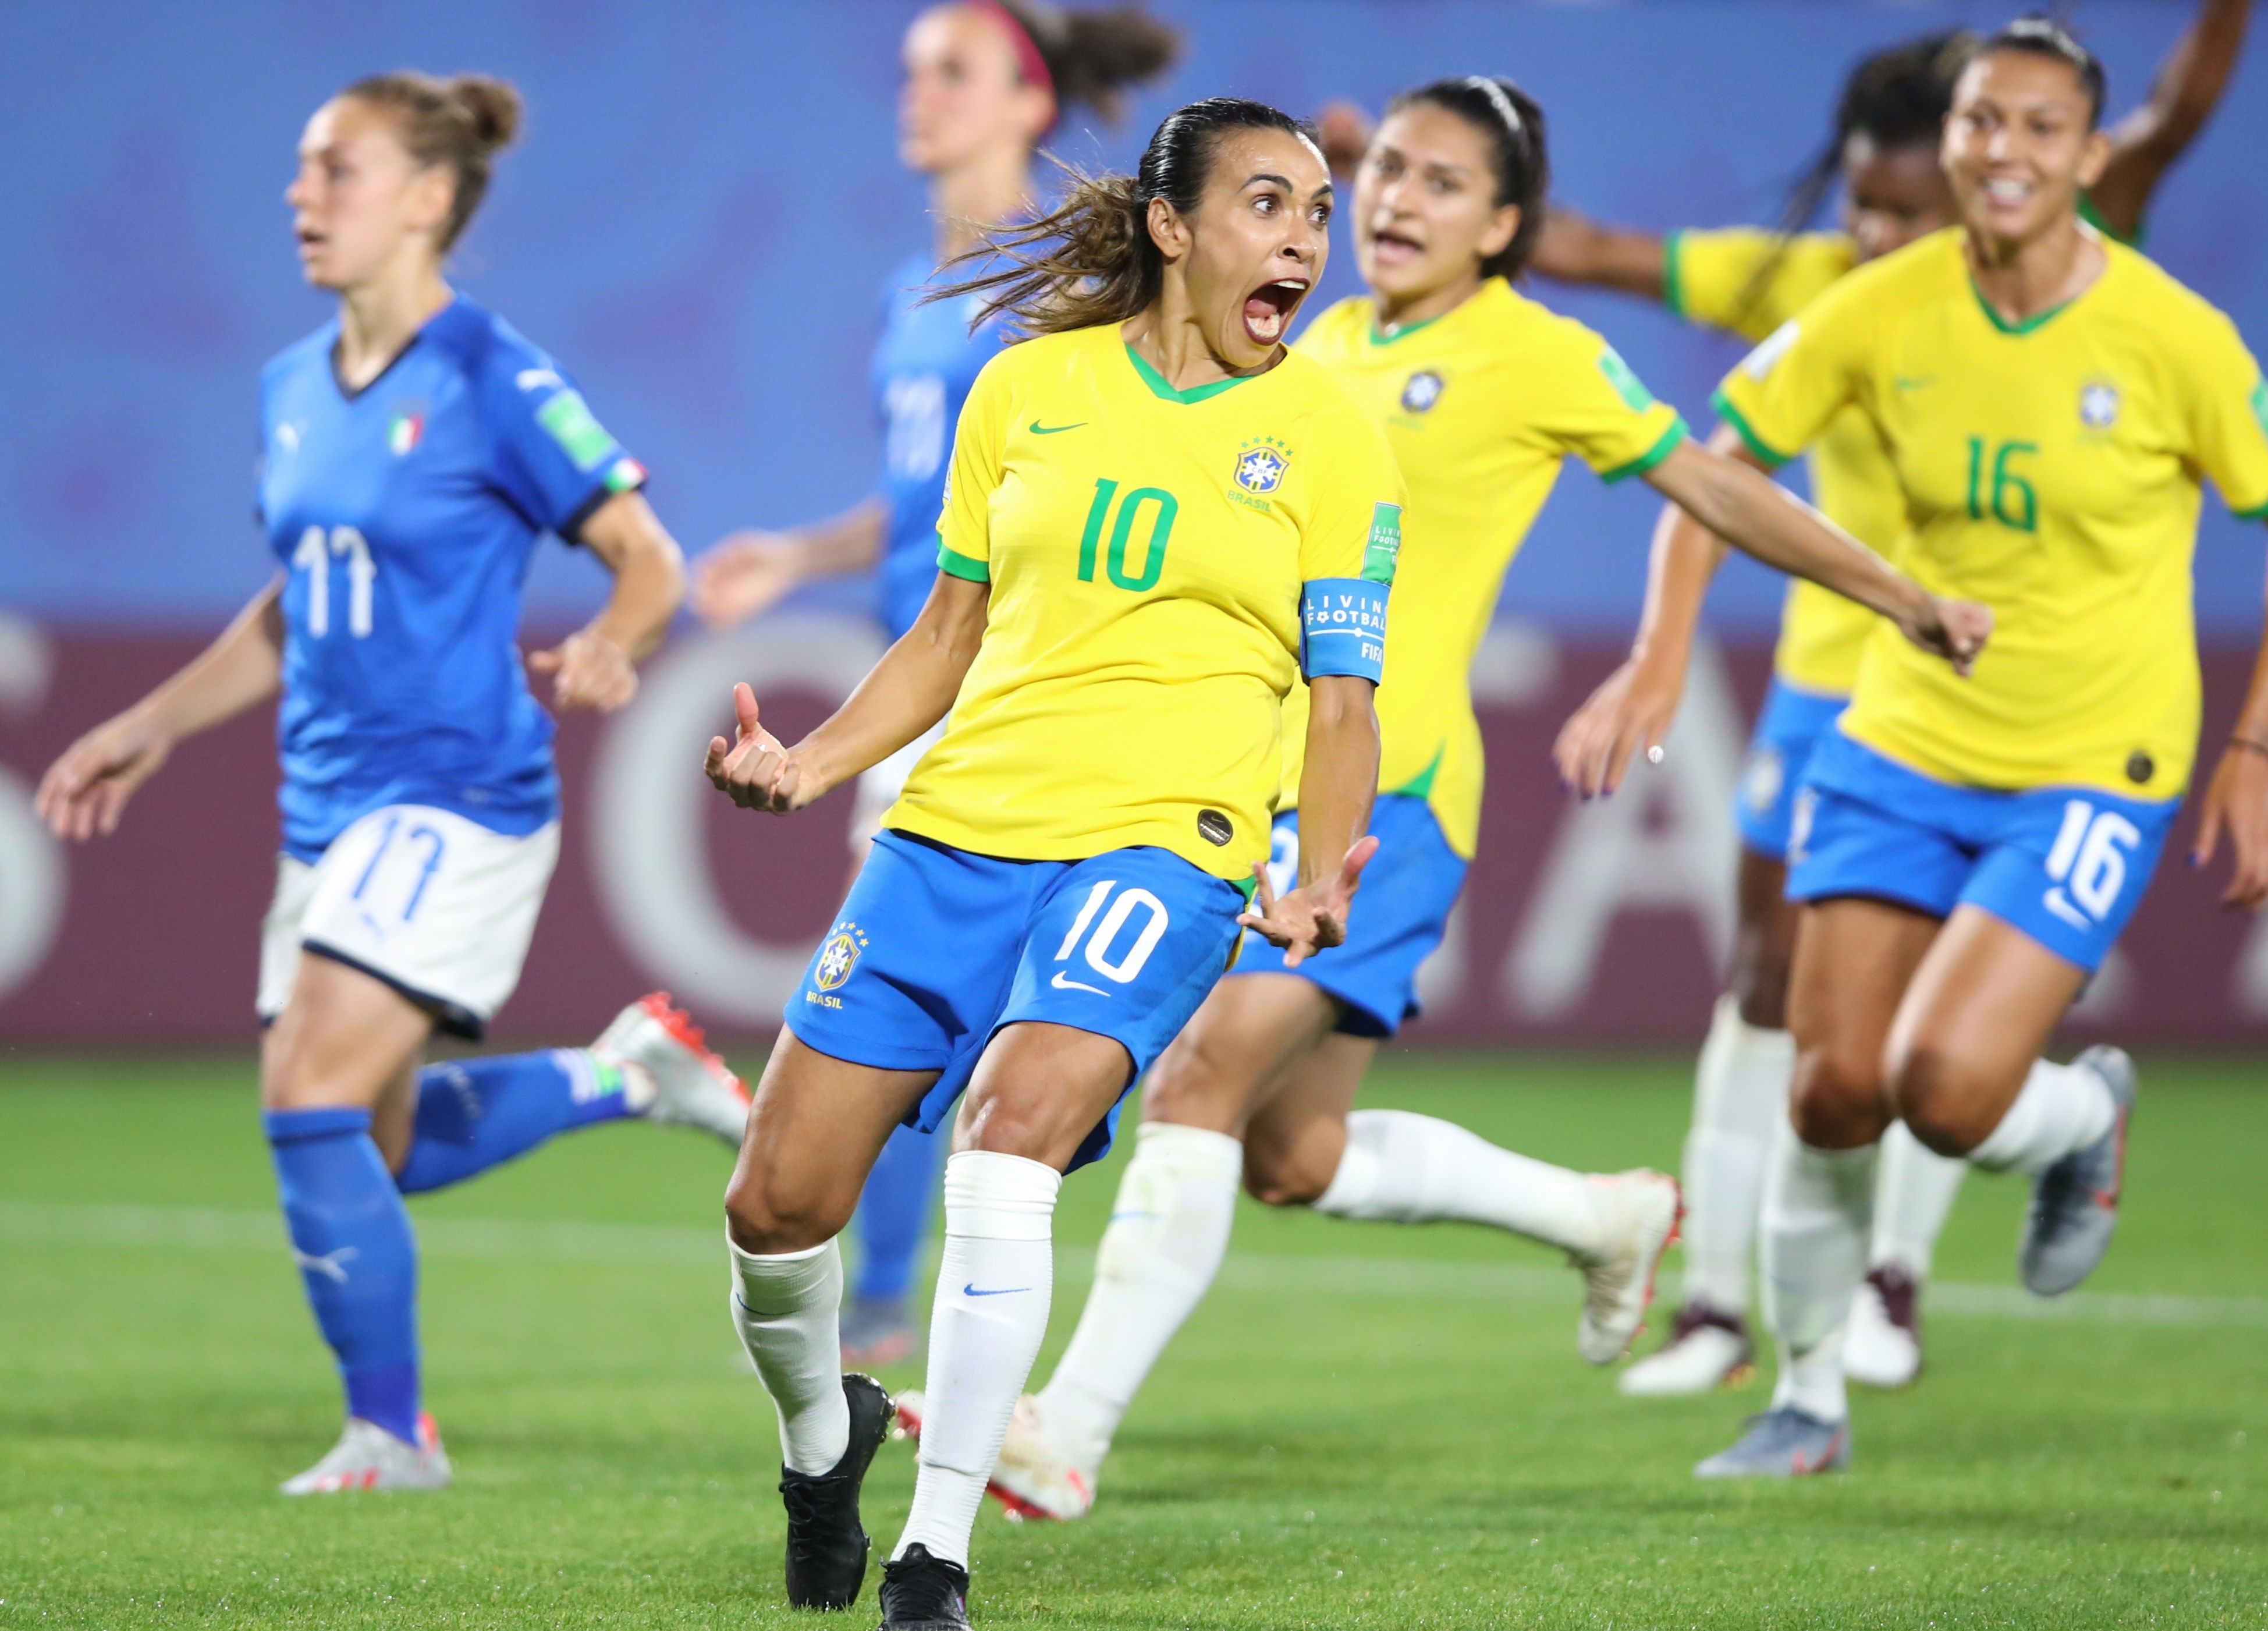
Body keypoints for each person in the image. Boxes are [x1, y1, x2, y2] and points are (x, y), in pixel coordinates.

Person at [903, 73, 1992, 1526]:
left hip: (1384, 801)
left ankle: (1064, 1428)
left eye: (1440, 184)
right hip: (1233, 788)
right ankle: (1604, 1219)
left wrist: (1894, 592)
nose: (1397, 205)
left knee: (1195, 1077)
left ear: (1503, 227)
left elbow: (1713, 484)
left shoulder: (1533, 357)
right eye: (1389, 176)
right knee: (1289, 1158)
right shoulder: (1309, 341)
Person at [704, 96, 1414, 1628]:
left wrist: (1307, 862)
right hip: (956, 830)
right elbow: (946, 636)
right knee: (774, 1205)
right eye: (1267, 205)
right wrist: (812, 763)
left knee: (1010, 1132)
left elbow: (1343, 697)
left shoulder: (1336, 440)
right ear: (1172, 226)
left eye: (1315, 214)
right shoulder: (1023, 389)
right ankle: (826, 1446)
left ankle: (933, 1557)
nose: (1303, 239)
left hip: (1168, 842)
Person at [33, 73, 751, 1495]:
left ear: (427, 197)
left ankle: (391, 1434)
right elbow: (296, 602)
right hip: (326, 811)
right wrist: (154, 723)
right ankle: (628, 1071)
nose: (301, 196)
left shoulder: (491, 372)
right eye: (301, 171)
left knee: (303, 1088)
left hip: (458, 799)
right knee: (379, 1143)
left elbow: (647, 554)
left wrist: (616, 642)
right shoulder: (289, 388)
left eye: (335, 170)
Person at [1570, 18, 2268, 1478]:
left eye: (2036, 130)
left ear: (2090, 157)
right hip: (1894, 736)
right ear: (1946, 144)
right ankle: (1804, 1399)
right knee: (1828, 1086)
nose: (2002, 153)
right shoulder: (1870, 309)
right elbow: (1708, 467)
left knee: (1945, 1090)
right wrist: (1653, 651)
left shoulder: (2171, 337)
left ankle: (2077, 1118)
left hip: (2093, 758)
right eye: (1979, 126)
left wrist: (2253, 747)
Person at [693, 0, 1181, 1370]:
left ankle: (891, 1318)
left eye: (953, 70)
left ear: (1032, 103)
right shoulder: (910, 296)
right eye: (909, 70)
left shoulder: (1074, 298)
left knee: (910, 1011)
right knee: (925, 1016)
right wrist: (795, 554)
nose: (919, 94)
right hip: (921, 662)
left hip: (1012, 681)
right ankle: (902, 1309)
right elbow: (931, 510)